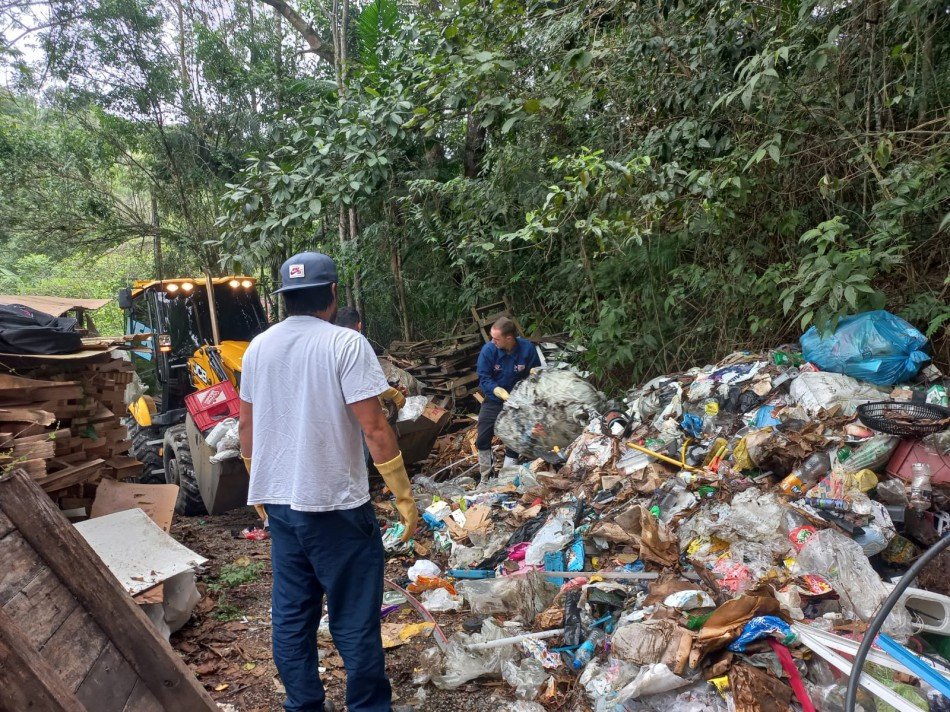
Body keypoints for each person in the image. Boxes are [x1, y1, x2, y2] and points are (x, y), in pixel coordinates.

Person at [238, 252, 418, 712]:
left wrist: (257, 483)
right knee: (355, 617)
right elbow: (375, 428)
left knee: (292, 617)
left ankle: (302, 706)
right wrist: (402, 495)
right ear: (333, 292)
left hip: (281, 507)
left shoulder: (258, 347)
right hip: (336, 505)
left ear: (283, 298)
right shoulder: (345, 344)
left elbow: (246, 428)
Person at [475, 316, 541, 479]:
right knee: (483, 437)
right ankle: (485, 476)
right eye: (492, 337)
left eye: (496, 338)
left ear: (509, 338)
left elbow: (534, 374)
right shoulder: (488, 350)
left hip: (518, 401)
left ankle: (507, 475)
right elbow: (484, 377)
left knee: (515, 438)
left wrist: (535, 375)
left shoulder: (527, 349)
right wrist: (498, 391)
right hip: (494, 399)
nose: (492, 341)